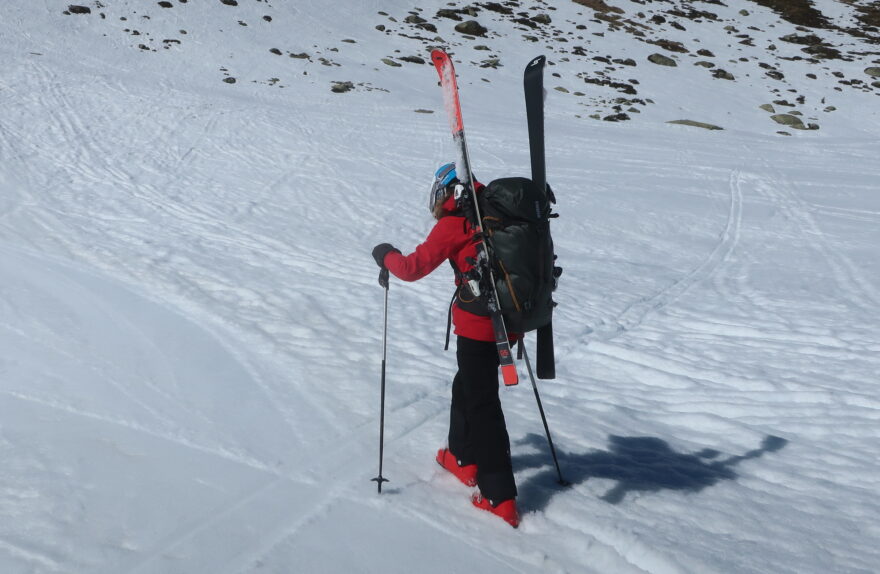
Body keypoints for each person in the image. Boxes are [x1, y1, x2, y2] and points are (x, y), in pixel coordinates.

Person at [371, 163, 520, 528]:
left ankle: (499, 497)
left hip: (479, 324)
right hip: (510, 318)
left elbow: (411, 268)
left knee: (483, 404)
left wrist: (384, 254)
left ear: (445, 193)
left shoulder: (457, 223)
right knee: (467, 386)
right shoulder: (495, 214)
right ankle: (462, 457)